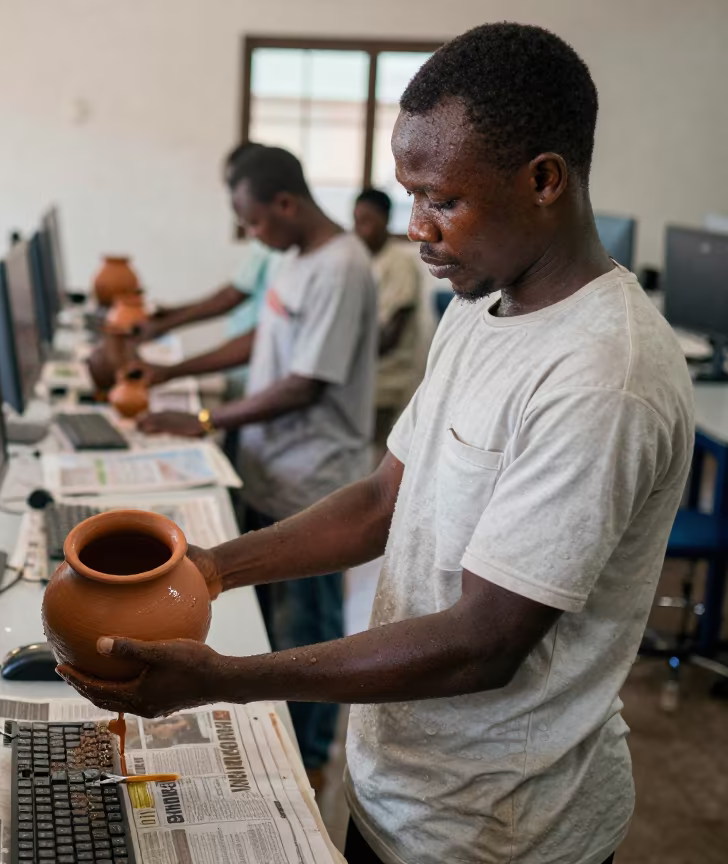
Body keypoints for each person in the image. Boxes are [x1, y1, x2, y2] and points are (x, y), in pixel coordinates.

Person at [60, 23, 693, 864]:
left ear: (545, 180)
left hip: (496, 833)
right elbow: (380, 501)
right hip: (402, 792)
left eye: (443, 199)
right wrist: (211, 568)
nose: (416, 228)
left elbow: (482, 642)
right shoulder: (481, 306)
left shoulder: (604, 375)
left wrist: (226, 680)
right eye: (410, 196)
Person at [134, 145, 378, 786]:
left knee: (310, 623)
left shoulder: (341, 267)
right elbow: (261, 338)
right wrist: (174, 371)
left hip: (317, 476)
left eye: (254, 221)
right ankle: (280, 738)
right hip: (271, 466)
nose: (251, 234)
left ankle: (311, 758)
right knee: (269, 619)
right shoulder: (289, 257)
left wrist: (209, 421)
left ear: (286, 203)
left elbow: (305, 384)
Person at [140, 141, 280, 399]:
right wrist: (171, 315)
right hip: (246, 366)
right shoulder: (269, 239)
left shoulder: (281, 246)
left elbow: (232, 298)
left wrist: (169, 330)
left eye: (234, 184)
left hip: (254, 372)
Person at [352, 188, 422, 449]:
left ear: (386, 220)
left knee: (373, 449)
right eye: (356, 221)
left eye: (367, 221)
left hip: (385, 378)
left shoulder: (400, 264)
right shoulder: (363, 261)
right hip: (362, 374)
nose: (359, 230)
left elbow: (391, 335)